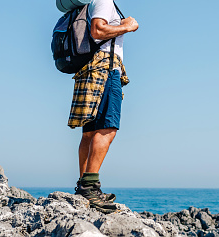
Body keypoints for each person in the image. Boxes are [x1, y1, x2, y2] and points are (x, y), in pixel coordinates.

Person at [67, 0, 139, 213]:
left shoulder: (94, 3)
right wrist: (128, 26)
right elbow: (97, 30)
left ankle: (84, 185)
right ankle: (90, 186)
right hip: (105, 68)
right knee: (108, 128)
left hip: (91, 68)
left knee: (90, 131)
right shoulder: (105, 1)